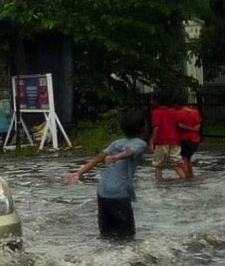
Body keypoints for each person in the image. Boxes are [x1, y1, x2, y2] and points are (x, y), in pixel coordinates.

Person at [67, 110, 147, 240]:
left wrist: (79, 173)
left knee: (106, 233)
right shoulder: (140, 143)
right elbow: (130, 152)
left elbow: (98, 158)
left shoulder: (117, 143)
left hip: (103, 191)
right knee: (127, 236)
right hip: (119, 193)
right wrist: (116, 157)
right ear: (144, 128)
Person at [148, 95, 184, 181]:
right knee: (177, 164)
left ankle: (159, 185)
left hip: (161, 141)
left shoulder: (156, 112)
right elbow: (179, 125)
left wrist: (152, 141)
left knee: (158, 166)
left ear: (157, 101)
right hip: (175, 141)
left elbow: (156, 127)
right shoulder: (174, 112)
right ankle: (185, 183)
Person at [176, 97, 202, 180]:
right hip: (195, 140)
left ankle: (186, 179)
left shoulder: (178, 113)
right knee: (189, 159)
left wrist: (188, 128)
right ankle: (191, 176)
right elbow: (198, 126)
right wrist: (193, 129)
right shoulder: (195, 112)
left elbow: (179, 126)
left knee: (184, 159)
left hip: (184, 140)